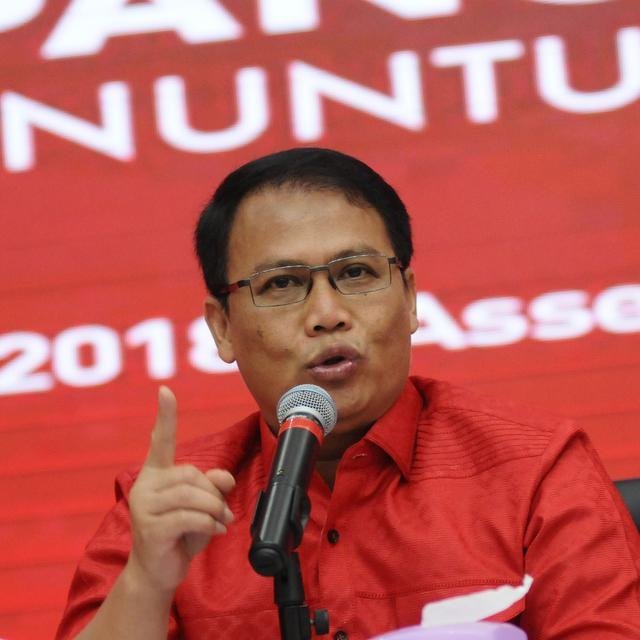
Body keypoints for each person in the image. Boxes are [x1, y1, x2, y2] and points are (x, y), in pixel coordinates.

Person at [56, 148, 640, 640]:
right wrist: (147, 582)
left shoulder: (535, 469)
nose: (327, 314)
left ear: (409, 298)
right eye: (281, 284)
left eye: (356, 273)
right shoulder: (169, 508)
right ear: (223, 327)